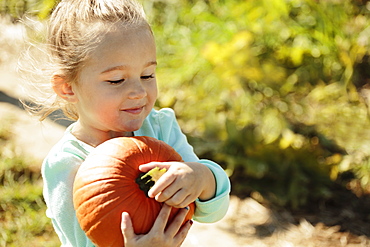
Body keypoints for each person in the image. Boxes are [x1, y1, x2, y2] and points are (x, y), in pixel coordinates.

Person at [24, 0, 230, 246]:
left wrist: (202, 177)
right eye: (117, 80)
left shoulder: (160, 127)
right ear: (68, 87)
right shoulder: (66, 163)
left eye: (147, 75)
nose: (138, 91)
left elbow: (213, 210)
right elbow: (81, 240)